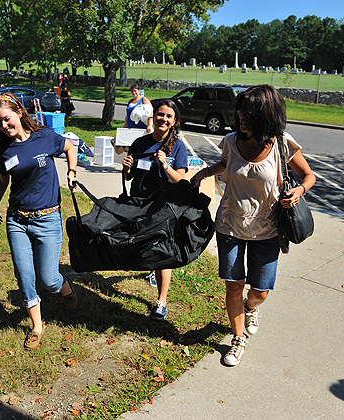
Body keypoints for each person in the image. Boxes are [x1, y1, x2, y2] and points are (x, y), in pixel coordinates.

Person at [191, 85, 316, 366]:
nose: (241, 117)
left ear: (267, 114)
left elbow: (309, 175)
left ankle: (251, 308)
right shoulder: (231, 140)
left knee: (260, 291)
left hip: (269, 229)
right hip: (230, 225)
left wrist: (299, 191)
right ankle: (237, 339)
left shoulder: (282, 144)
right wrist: (205, 172)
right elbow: (226, 164)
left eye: (248, 112)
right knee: (233, 285)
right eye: (239, 111)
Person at [0, 92, 79, 351]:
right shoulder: (4, 149)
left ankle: (66, 289)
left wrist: (72, 171)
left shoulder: (45, 137)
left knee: (49, 279)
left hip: (48, 219)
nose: (3, 126)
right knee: (25, 276)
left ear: (19, 113)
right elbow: (2, 180)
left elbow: (69, 147)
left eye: (6, 119)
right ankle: (37, 326)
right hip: (17, 220)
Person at [122, 99, 188, 320]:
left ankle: (161, 301)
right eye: (161, 114)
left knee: (163, 252)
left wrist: (165, 165)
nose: (164, 119)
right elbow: (129, 177)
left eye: (169, 116)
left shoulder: (177, 147)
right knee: (143, 246)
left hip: (163, 206)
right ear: (154, 116)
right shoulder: (140, 143)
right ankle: (151, 270)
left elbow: (181, 180)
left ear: (174, 121)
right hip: (139, 204)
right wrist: (126, 169)